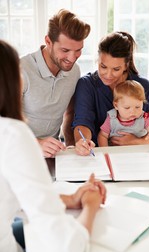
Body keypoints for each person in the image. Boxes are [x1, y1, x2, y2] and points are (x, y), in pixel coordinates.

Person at [0, 40, 106, 252]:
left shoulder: (73, 75)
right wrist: (90, 207)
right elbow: (67, 248)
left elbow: (9, 197)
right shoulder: (12, 134)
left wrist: (70, 199)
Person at [72, 31, 149, 156]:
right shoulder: (87, 85)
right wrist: (82, 141)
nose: (108, 75)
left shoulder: (144, 87)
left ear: (126, 65)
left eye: (116, 69)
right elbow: (83, 122)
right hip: (98, 156)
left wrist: (136, 141)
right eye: (103, 66)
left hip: (137, 156)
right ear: (97, 60)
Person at [21, 9, 90, 158]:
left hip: (54, 155)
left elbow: (69, 113)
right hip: (19, 153)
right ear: (48, 42)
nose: (72, 58)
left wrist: (73, 146)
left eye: (78, 50)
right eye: (65, 50)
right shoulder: (20, 70)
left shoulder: (74, 71)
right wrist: (36, 143)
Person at [98, 80, 149, 146]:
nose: (133, 112)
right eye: (127, 108)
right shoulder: (111, 118)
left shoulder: (143, 117)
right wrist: (106, 152)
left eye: (137, 107)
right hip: (117, 153)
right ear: (116, 105)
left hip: (138, 153)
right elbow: (102, 136)